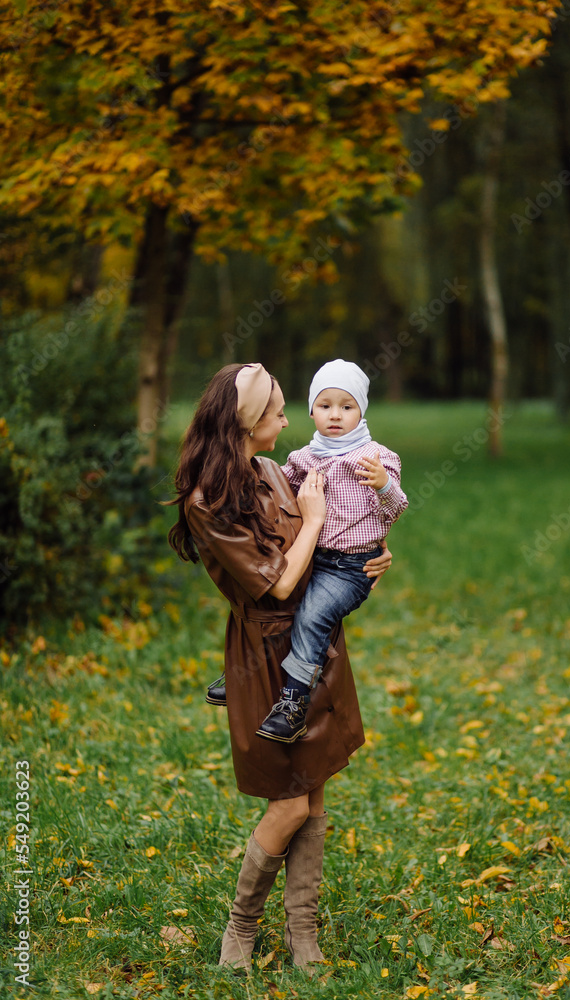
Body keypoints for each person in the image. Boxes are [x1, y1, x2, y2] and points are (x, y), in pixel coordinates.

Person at [166, 362, 391, 974]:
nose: (292, 422)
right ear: (247, 423)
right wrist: (315, 521)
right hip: (267, 658)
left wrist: (371, 547)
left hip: (315, 648)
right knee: (289, 803)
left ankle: (303, 933)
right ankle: (240, 928)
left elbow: (326, 543)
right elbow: (277, 580)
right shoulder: (208, 501)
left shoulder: (269, 470)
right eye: (280, 413)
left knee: (314, 796)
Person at [255, 359, 408, 743]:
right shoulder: (303, 459)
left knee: (311, 616)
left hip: (351, 569)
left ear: (362, 411)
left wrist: (384, 485)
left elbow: (397, 508)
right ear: (311, 411)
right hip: (313, 557)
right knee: (278, 611)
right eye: (325, 406)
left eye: (347, 406)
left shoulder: (377, 459)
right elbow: (279, 497)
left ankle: (292, 704)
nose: (335, 415)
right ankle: (249, 678)